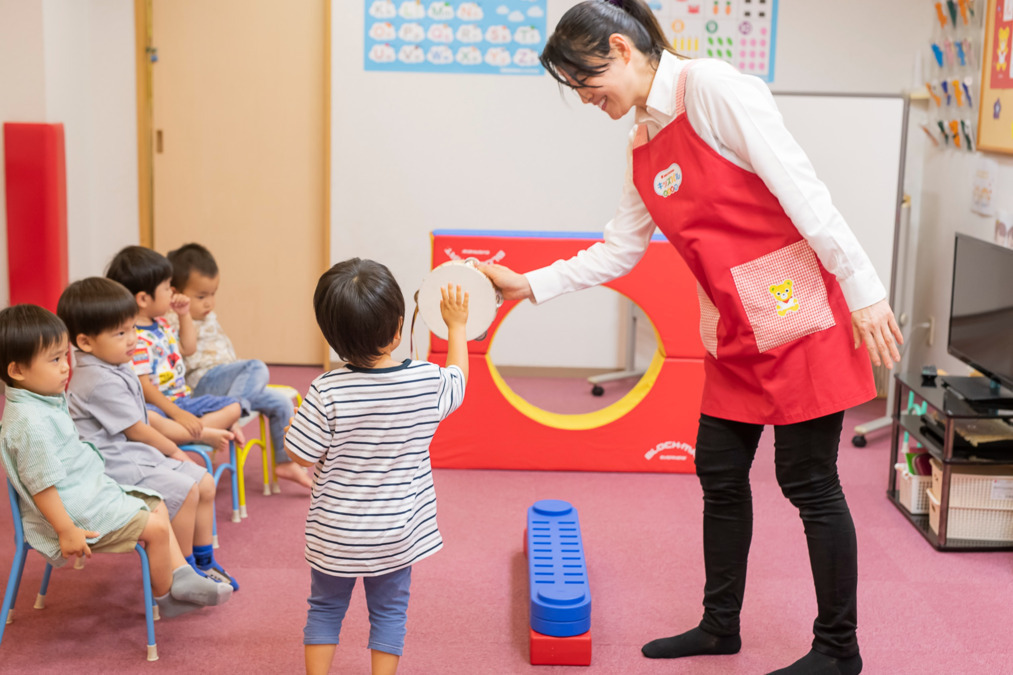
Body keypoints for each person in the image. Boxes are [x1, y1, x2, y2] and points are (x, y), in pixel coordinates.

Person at [479, 2, 903, 674]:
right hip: (732, 327)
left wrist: (864, 288)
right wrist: (527, 284)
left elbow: (803, 190)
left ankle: (837, 648)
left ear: (620, 49)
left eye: (585, 81)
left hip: (795, 313)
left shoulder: (712, 89)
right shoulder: (642, 138)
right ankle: (718, 625)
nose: (584, 98)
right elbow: (620, 249)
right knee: (720, 473)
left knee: (808, 481)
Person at [284, 259, 469, 675]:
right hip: (395, 534)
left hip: (335, 535)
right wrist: (456, 327)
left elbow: (300, 455)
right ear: (398, 328)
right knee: (389, 613)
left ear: (332, 335)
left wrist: (296, 428)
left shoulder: (326, 389)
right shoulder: (426, 381)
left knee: (324, 609)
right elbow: (459, 378)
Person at [0, 304, 232, 619]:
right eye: (54, 360)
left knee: (157, 503)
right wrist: (66, 530)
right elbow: (42, 486)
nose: (66, 367)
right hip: (73, 514)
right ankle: (167, 596)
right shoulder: (31, 424)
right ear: (17, 371)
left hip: (86, 492)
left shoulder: (41, 401)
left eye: (64, 356)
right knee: (156, 528)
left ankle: (181, 574)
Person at [57, 277, 238, 590]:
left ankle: (204, 560)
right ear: (85, 342)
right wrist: (175, 450)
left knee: (205, 483)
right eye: (121, 333)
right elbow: (138, 430)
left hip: (134, 455)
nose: (132, 339)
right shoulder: (99, 380)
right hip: (115, 465)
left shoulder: (114, 363)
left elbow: (142, 421)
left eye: (132, 329)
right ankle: (183, 572)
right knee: (186, 490)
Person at [166, 242, 311, 489]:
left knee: (281, 403)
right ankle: (231, 414)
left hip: (226, 383)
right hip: (203, 385)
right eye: (201, 296)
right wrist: (182, 312)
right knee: (256, 367)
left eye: (213, 294)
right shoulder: (174, 316)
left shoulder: (207, 315)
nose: (209, 303)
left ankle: (284, 462)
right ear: (175, 293)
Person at [105, 245, 242, 452]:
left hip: (182, 400)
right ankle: (200, 433)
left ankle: (186, 433)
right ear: (143, 299)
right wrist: (177, 414)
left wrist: (184, 314)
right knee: (148, 418)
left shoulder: (161, 324)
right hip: (158, 407)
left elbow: (188, 348)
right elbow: (144, 387)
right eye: (167, 287)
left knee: (234, 407)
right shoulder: (135, 337)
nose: (172, 292)